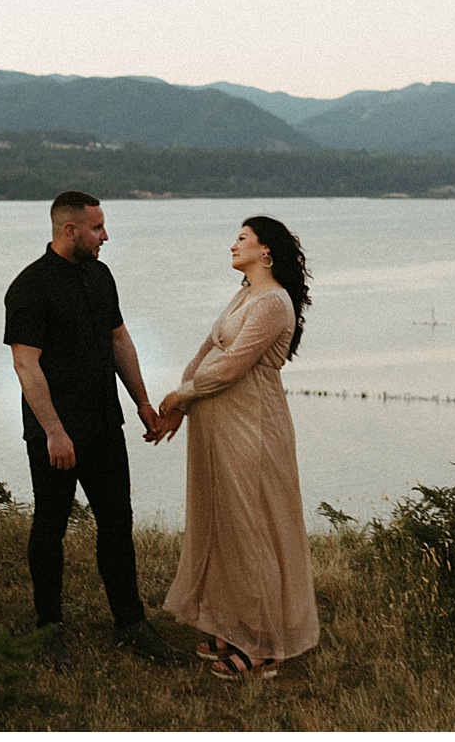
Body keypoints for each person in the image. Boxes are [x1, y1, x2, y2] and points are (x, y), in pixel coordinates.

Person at [4, 190, 182, 670]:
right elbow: (25, 364)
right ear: (70, 230)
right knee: (50, 527)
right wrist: (55, 432)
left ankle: (131, 624)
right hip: (55, 434)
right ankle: (48, 628)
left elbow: (119, 339)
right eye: (97, 228)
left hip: (105, 424)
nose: (106, 236)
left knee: (117, 524)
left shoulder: (101, 275)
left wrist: (142, 402)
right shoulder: (30, 286)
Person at [149, 215, 320, 680]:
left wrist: (180, 395)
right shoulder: (245, 294)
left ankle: (264, 647)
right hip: (220, 422)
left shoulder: (272, 302)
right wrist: (183, 406)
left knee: (253, 528)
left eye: (242, 238)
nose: (233, 245)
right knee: (225, 524)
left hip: (254, 426)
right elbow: (207, 352)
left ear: (266, 251)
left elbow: (232, 368)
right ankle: (236, 627)